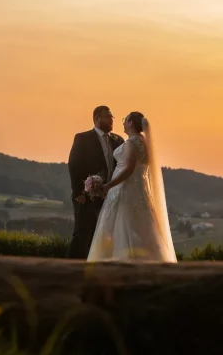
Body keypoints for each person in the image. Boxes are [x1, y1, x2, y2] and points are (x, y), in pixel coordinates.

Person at [87, 111, 177, 263]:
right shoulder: (144, 143)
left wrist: (108, 185)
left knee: (122, 226)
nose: (122, 122)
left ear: (130, 123)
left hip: (125, 190)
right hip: (140, 191)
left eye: (125, 120)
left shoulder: (131, 143)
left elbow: (128, 168)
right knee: (143, 227)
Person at [67, 106, 124, 260]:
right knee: (82, 233)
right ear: (97, 118)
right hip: (86, 195)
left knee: (102, 235)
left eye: (112, 116)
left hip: (110, 196)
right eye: (108, 117)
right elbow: (74, 165)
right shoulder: (83, 138)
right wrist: (79, 192)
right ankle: (71, 268)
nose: (112, 120)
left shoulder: (118, 140)